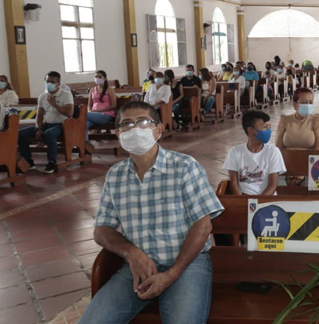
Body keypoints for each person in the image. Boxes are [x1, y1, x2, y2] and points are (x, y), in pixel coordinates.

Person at [80, 101, 224, 324]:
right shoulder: (116, 175)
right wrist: (132, 254)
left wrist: (173, 274)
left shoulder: (184, 166)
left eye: (143, 122)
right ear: (118, 133)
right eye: (126, 124)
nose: (135, 129)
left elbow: (203, 225)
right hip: (138, 266)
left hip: (186, 264)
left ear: (159, 129)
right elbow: (101, 230)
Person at [18, 71, 74, 174]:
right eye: (47, 81)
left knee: (49, 134)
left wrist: (54, 104)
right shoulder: (42, 96)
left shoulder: (66, 95)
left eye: (52, 82)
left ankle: (51, 161)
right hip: (47, 124)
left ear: (58, 84)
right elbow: (39, 115)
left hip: (62, 125)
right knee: (20, 134)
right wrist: (38, 128)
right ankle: (28, 162)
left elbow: (69, 113)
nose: (49, 84)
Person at [223, 111, 286, 195]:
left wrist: (258, 204)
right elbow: (234, 184)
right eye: (265, 127)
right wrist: (242, 202)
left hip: (266, 198)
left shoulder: (273, 152)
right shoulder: (235, 152)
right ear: (251, 130)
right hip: (243, 197)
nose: (269, 130)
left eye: (269, 127)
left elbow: (272, 185)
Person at [86, 70, 117, 139]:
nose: (97, 78)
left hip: (105, 115)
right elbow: (89, 105)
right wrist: (90, 110)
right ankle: (85, 144)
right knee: (83, 124)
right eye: (96, 77)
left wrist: (99, 111)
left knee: (82, 115)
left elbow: (113, 105)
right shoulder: (92, 90)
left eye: (100, 77)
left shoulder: (109, 89)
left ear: (105, 78)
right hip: (93, 115)